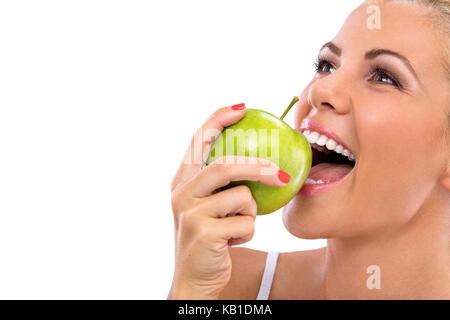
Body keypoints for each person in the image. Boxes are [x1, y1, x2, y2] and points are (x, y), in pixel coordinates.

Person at [168, 0, 450, 299]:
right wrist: (189, 293)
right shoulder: (224, 286)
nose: (319, 91)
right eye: (326, 66)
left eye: (384, 77)